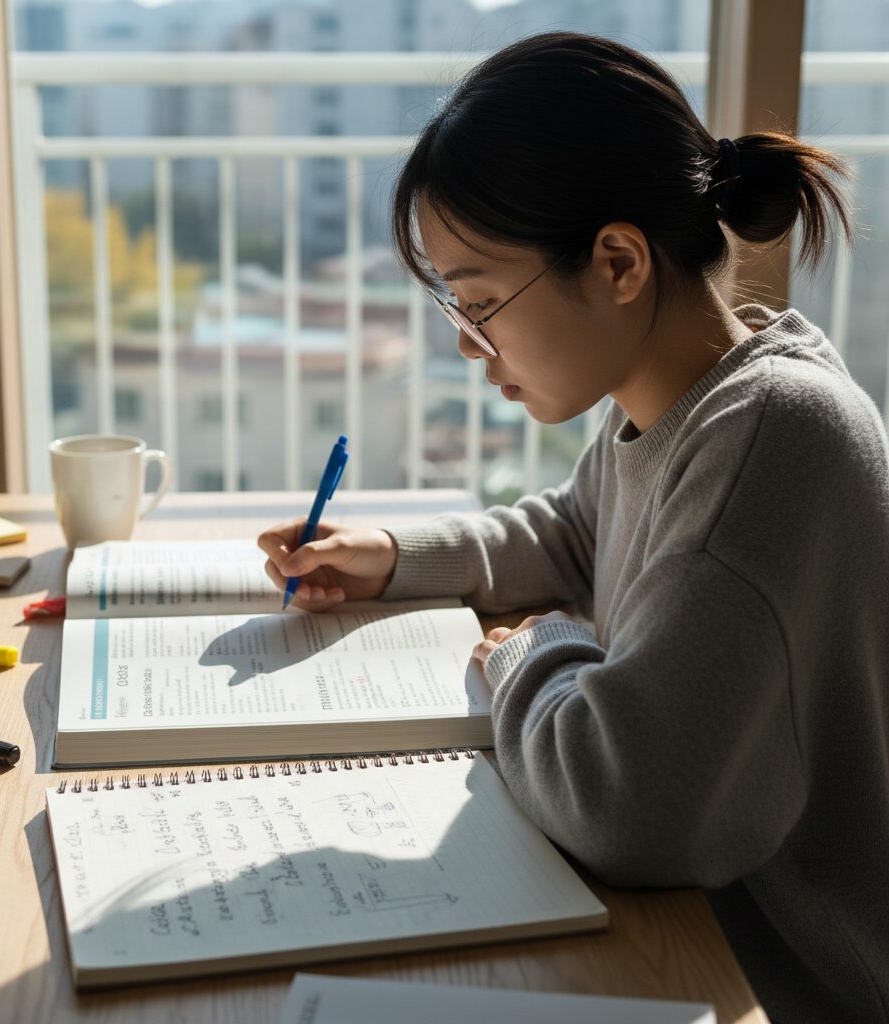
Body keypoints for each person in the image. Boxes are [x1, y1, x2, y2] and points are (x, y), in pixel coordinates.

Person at [257, 32, 889, 1024]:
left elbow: (625, 803)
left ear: (617, 261)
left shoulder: (775, 434)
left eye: (477, 302)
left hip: (786, 984)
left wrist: (533, 652)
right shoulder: (676, 394)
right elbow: (579, 535)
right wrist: (394, 558)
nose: (468, 346)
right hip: (693, 941)